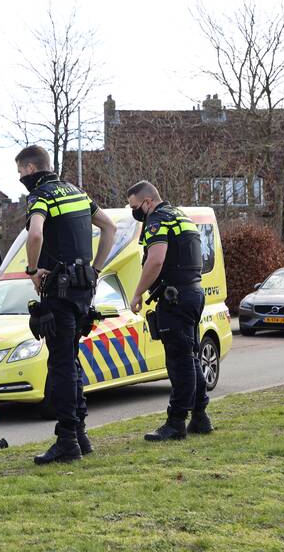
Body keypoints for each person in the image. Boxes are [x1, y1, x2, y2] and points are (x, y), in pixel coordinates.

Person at [16, 145, 116, 465]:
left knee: (59, 365)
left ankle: (67, 441)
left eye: (20, 173)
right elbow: (110, 227)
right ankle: (80, 434)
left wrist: (32, 272)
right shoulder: (77, 192)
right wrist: (96, 269)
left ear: (31, 169)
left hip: (58, 292)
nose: (20, 179)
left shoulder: (41, 196)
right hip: (83, 291)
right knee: (71, 361)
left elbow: (35, 236)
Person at [126, 180, 212, 441]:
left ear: (148, 202)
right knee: (191, 356)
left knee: (178, 361)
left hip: (175, 297)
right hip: (193, 293)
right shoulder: (180, 216)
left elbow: (156, 259)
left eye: (135, 206)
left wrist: (138, 292)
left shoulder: (157, 221)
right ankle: (200, 416)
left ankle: (176, 423)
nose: (135, 212)